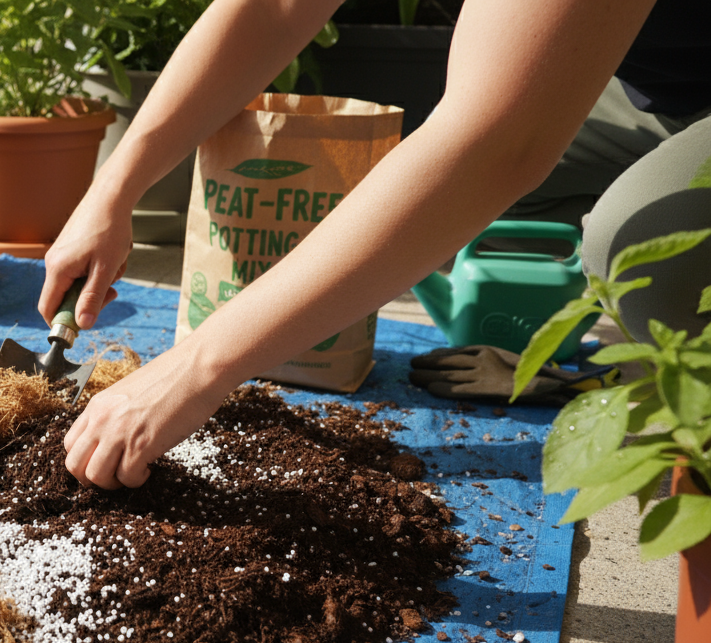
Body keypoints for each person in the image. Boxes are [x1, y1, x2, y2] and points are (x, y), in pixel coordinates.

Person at [39, 0, 709, 490]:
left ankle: (670, 383)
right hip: (658, 88)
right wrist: (114, 190)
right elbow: (274, 10)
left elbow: (498, 147)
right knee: (435, 197)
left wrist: (196, 369)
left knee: (644, 250)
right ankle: (547, 342)